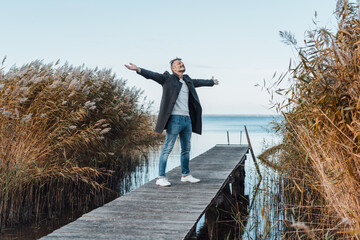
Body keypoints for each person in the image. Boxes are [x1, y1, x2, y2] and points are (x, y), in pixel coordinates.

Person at [125, 58, 219, 187]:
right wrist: (139, 70)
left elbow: (200, 82)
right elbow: (152, 75)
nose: (181, 64)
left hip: (187, 119)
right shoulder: (167, 79)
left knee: (186, 149)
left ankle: (185, 175)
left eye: (182, 63)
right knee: (167, 148)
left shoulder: (187, 80)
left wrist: (212, 82)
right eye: (178, 63)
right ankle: (161, 177)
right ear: (173, 69)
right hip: (175, 119)